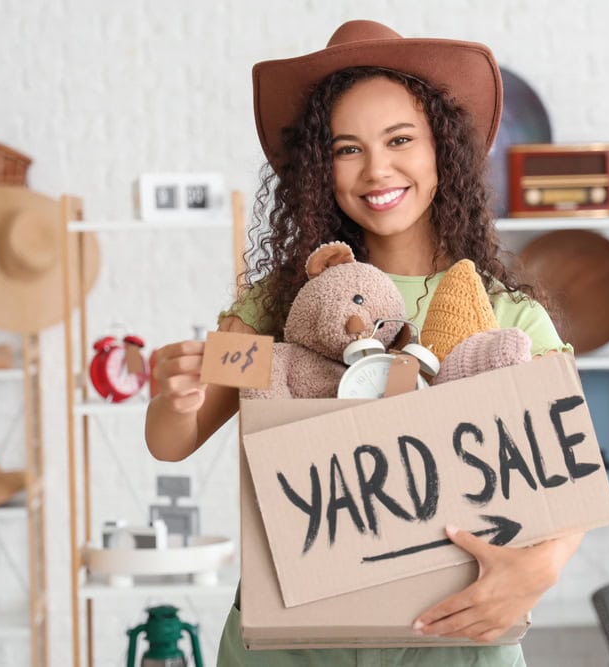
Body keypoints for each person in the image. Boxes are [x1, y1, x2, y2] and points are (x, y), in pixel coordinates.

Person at [145, 19, 583, 666]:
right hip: (293, 631)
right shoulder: (276, 305)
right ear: (320, 168)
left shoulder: (504, 315)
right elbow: (172, 438)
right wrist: (178, 394)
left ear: (443, 149)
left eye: (400, 139)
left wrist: (539, 568)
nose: (376, 168)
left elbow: (569, 478)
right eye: (346, 148)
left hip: (451, 634)